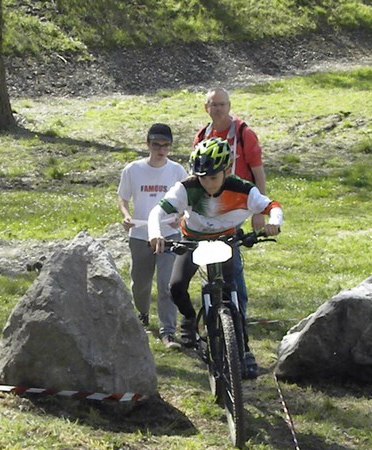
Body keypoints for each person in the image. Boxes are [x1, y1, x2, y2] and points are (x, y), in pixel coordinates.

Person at [148, 137, 283, 378]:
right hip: (193, 240)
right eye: (202, 177)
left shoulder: (242, 188)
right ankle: (190, 320)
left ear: (226, 170)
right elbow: (158, 211)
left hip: (227, 241)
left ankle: (244, 352)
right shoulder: (186, 188)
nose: (207, 184)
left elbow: (272, 205)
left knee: (235, 296)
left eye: (212, 177)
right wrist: (155, 234)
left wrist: (274, 222)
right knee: (175, 286)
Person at [193, 87, 269, 373]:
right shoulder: (202, 136)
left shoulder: (243, 134)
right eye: (214, 105)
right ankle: (202, 328)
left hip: (237, 209)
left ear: (229, 106)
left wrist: (259, 211)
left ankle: (242, 345)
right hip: (210, 213)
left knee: (234, 276)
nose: (218, 109)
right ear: (206, 107)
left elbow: (258, 172)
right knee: (201, 270)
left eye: (223, 104)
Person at [118, 123, 189, 350]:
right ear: (147, 144)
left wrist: (180, 216)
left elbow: (187, 200)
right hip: (140, 234)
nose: (161, 150)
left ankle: (168, 331)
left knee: (167, 285)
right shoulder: (132, 170)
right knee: (141, 283)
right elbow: (123, 198)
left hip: (169, 234)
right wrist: (127, 216)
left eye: (166, 146)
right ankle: (142, 313)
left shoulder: (177, 171)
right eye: (157, 145)